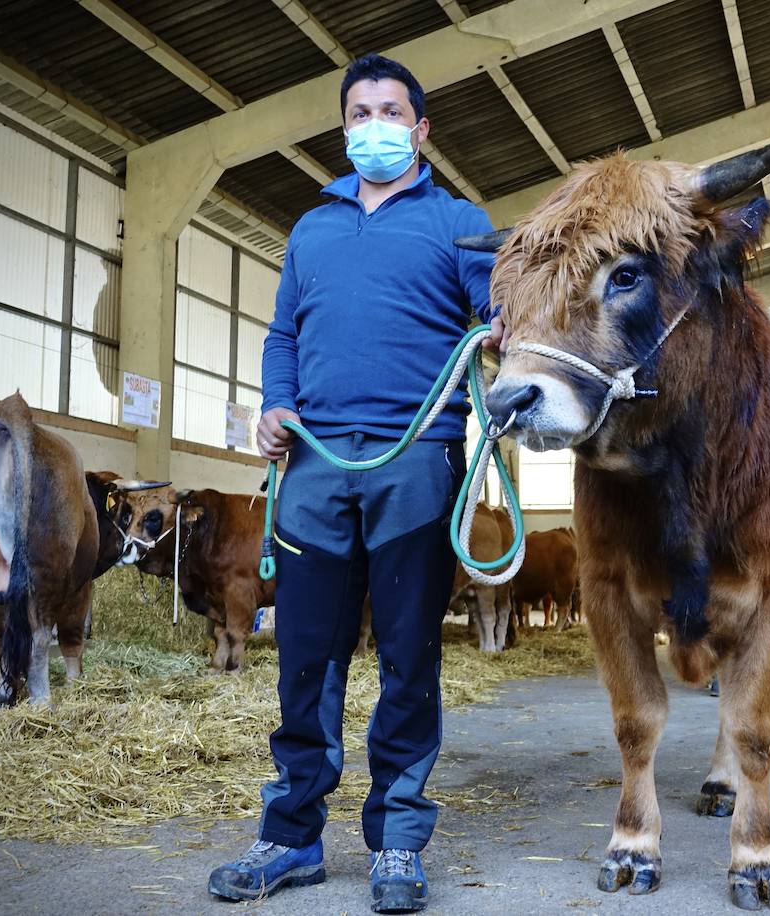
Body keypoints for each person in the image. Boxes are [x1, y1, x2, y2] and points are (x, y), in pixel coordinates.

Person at [207, 54, 505, 911]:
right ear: (344, 129)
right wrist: (274, 406)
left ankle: (399, 840)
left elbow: (496, 317)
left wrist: (497, 333)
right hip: (313, 463)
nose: (373, 124)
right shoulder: (312, 228)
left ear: (420, 129)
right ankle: (292, 835)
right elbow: (281, 336)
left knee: (409, 655)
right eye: (359, 112)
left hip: (415, 460)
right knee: (304, 653)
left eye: (390, 111)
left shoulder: (458, 222)